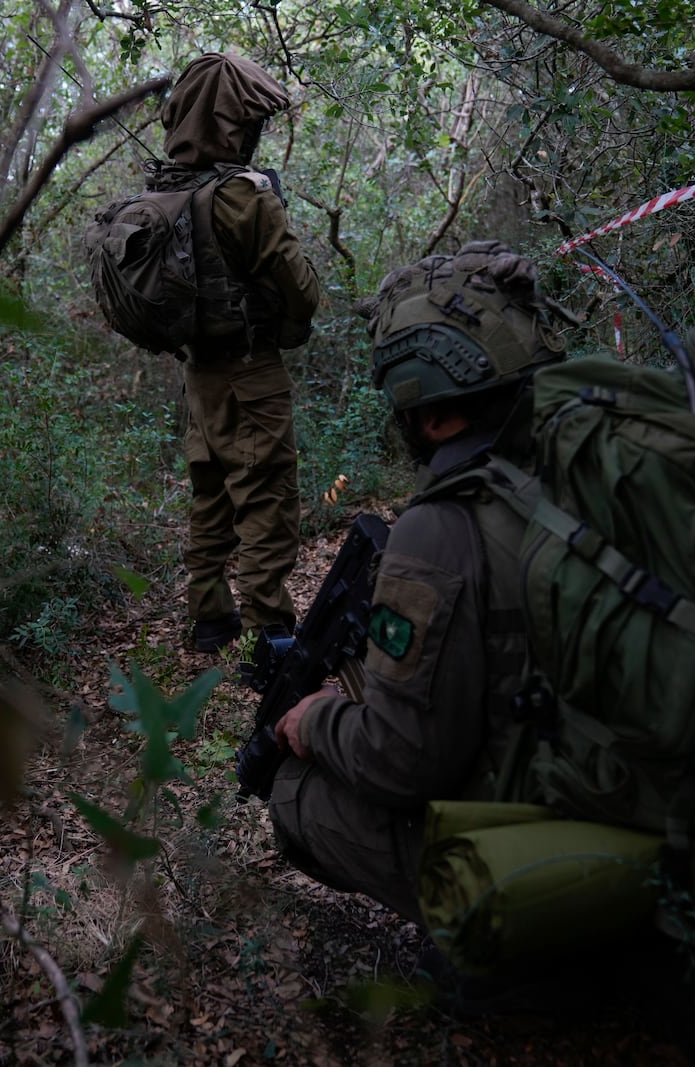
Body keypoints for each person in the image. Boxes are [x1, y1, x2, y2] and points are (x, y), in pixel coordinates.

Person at [266, 241, 571, 925]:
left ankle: (518, 958)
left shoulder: (441, 526)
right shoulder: (584, 466)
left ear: (429, 412)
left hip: (558, 846)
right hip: (658, 805)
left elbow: (404, 761)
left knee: (294, 789)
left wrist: (316, 717)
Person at [149, 53, 321, 653]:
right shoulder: (244, 196)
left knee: (211, 494)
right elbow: (302, 289)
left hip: (199, 375)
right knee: (266, 497)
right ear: (235, 126)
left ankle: (210, 619)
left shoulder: (166, 194)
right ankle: (267, 637)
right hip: (253, 371)